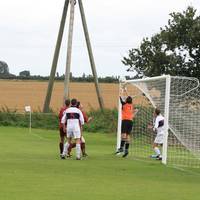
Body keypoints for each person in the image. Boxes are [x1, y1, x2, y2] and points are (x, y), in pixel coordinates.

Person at [115, 87, 136, 157]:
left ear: (126, 100)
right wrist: (126, 90)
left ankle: (121, 148)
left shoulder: (124, 105)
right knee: (128, 136)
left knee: (123, 135)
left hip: (125, 121)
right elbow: (129, 97)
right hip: (130, 121)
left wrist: (121, 90)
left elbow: (120, 97)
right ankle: (126, 150)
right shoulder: (131, 105)